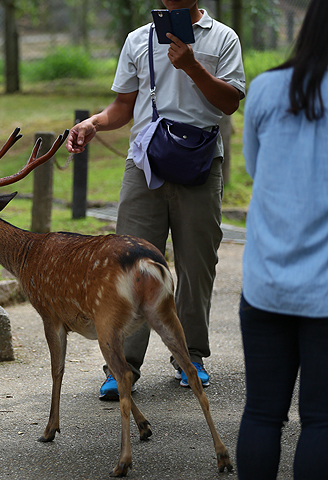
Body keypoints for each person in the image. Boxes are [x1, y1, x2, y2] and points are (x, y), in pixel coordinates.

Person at [66, 0, 245, 400]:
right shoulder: (138, 40)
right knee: (128, 265)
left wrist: (192, 65)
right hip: (144, 166)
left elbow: (230, 103)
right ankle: (122, 366)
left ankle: (190, 357)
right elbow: (122, 107)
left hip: (200, 164)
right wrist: (94, 123)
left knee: (197, 263)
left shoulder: (223, 38)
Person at [236, 0, 328, 478]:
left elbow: (254, 166)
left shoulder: (268, 88)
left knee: (262, 414)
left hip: (267, 283)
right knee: (321, 421)